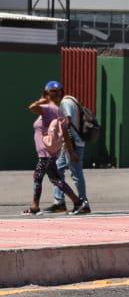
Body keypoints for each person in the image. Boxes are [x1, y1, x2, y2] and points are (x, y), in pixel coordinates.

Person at [26, 81, 83, 216]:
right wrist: (71, 152)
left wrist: (42, 100)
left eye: (58, 92)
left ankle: (35, 207)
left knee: (39, 177)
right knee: (55, 179)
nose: (56, 94)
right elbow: (65, 134)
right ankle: (77, 202)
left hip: (45, 153)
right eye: (53, 91)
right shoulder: (58, 111)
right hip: (50, 153)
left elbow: (31, 107)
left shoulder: (47, 108)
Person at [51, 82, 92, 214]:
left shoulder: (65, 103)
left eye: (54, 93)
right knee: (57, 169)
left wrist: (69, 147)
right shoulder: (71, 100)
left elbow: (67, 122)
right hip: (70, 143)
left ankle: (83, 203)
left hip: (73, 143)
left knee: (76, 173)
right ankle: (59, 202)